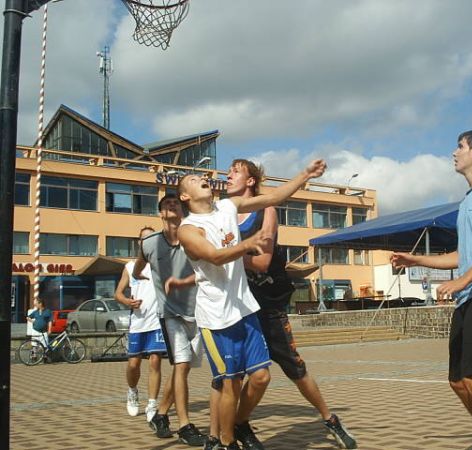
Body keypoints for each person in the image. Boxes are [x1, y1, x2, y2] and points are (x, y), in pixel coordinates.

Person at [176, 159, 327, 450]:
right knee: (229, 383)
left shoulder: (227, 206)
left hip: (245, 310)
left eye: (202, 176)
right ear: (185, 196)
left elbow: (274, 197)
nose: (203, 178)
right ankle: (225, 440)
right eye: (194, 179)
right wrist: (247, 244)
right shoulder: (188, 229)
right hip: (216, 319)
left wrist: (304, 175)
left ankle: (233, 429)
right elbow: (215, 256)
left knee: (261, 376)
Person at [391, 130, 472, 450]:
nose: (454, 152)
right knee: (459, 382)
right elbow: (462, 256)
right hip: (470, 296)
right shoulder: (467, 201)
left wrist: (462, 281)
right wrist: (414, 258)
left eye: (460, 146)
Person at [226, 158, 357, 450]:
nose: (228, 175)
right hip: (235, 304)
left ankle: (329, 419)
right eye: (228, 171)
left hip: (266, 302)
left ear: (249, 181)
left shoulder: (264, 210)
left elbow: (261, 262)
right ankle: (234, 427)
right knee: (238, 374)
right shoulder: (222, 212)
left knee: (294, 367)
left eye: (235, 171)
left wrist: (227, 253)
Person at [133, 194, 215, 447]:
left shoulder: (194, 236)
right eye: (166, 204)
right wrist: (142, 277)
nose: (171, 206)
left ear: (183, 210)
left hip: (199, 311)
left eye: (176, 203)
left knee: (185, 366)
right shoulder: (149, 244)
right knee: (181, 366)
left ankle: (160, 415)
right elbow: (137, 268)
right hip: (170, 314)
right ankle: (185, 425)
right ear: (160, 214)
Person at [115, 226, 167, 421]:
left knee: (155, 361)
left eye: (151, 238)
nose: (147, 241)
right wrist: (127, 301)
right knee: (133, 364)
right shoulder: (130, 267)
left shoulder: (162, 263)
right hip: (138, 322)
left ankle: (152, 402)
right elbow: (118, 293)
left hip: (157, 320)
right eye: (144, 238)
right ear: (139, 242)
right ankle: (132, 390)